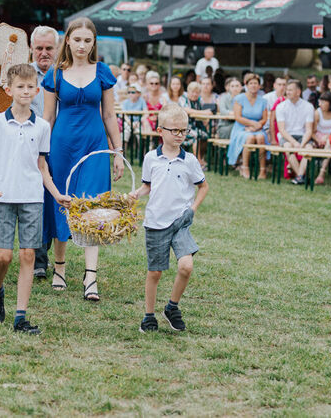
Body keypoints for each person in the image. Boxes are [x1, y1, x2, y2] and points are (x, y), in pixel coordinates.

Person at [0, 64, 69, 334]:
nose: (26, 91)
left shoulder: (42, 126)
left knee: (28, 254)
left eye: (30, 87)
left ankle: (21, 316)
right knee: (4, 257)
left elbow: (42, 167)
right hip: (4, 197)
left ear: (37, 90)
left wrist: (56, 194)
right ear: (8, 89)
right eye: (20, 86)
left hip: (32, 197)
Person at [42, 17, 123, 302]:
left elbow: (110, 115)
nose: (82, 45)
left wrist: (118, 152)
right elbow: (48, 117)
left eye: (88, 41)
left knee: (93, 206)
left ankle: (91, 276)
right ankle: (60, 268)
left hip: (94, 146)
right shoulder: (54, 74)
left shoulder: (102, 71)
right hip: (61, 146)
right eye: (77, 40)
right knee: (62, 204)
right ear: (68, 41)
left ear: (93, 43)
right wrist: (39, 152)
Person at [129, 105, 209, 333]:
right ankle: (149, 315)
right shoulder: (151, 158)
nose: (179, 135)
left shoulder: (190, 160)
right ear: (160, 130)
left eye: (183, 131)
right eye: (174, 130)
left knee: (186, 266)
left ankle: (172, 307)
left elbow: (203, 186)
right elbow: (148, 186)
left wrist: (192, 209)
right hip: (155, 222)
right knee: (155, 272)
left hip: (180, 222)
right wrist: (137, 193)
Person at [27, 25, 58, 280]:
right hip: (27, 145)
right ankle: (38, 257)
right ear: (31, 49)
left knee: (53, 199)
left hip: (59, 144)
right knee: (33, 199)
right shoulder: (25, 75)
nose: (44, 53)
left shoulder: (65, 75)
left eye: (49, 48)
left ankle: (48, 252)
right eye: (39, 48)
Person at [226, 73, 268, 180]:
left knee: (260, 137)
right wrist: (252, 124)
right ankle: (245, 167)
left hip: (258, 128)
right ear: (246, 85)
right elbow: (238, 117)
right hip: (241, 128)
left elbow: (264, 118)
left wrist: (256, 126)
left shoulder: (263, 101)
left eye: (256, 83)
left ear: (259, 86)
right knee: (249, 137)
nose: (253, 86)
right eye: (251, 83)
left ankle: (263, 169)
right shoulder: (239, 99)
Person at [275, 80, 314, 184]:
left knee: (309, 148)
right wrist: (294, 142)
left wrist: (302, 143)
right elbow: (282, 130)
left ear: (298, 92)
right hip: (287, 136)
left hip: (302, 135)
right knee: (288, 147)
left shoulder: (308, 106)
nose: (287, 92)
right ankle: (301, 176)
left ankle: (300, 177)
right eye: (287, 90)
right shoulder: (281, 107)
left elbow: (309, 129)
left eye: (290, 90)